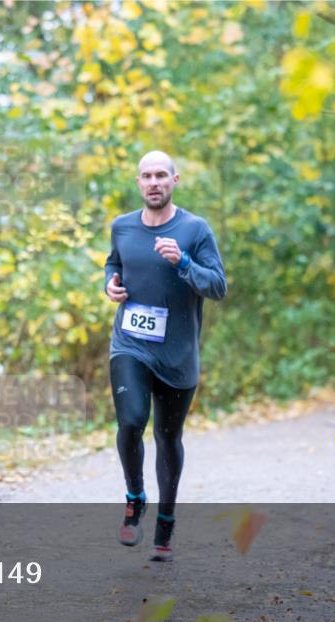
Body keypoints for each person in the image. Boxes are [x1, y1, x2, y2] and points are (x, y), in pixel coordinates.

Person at [104, 151, 226, 561]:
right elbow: (113, 265)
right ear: (137, 183)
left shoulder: (195, 229)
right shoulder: (122, 227)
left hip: (177, 355)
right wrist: (111, 285)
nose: (153, 182)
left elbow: (218, 286)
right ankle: (135, 497)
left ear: (175, 179)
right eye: (146, 176)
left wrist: (185, 262)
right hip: (130, 345)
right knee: (131, 421)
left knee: (168, 437)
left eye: (161, 175)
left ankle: (166, 522)